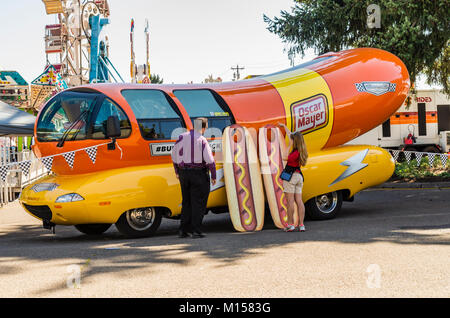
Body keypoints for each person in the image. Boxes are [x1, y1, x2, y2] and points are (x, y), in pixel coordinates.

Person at [171, 117, 216, 239]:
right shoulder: (202, 140)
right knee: (198, 202)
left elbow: (173, 155)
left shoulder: (181, 137)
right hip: (198, 174)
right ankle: (196, 230)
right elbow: (210, 160)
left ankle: (183, 230)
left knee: (187, 201)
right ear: (203, 128)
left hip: (183, 173)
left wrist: (177, 170)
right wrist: (214, 175)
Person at [278, 123, 308, 232]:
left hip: (291, 177)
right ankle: (301, 225)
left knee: (290, 202)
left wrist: (289, 145)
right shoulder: (301, 151)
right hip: (299, 176)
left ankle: (290, 224)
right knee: (299, 201)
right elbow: (291, 134)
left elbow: (284, 156)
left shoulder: (294, 153)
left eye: (292, 140)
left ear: (294, 141)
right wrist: (284, 127)